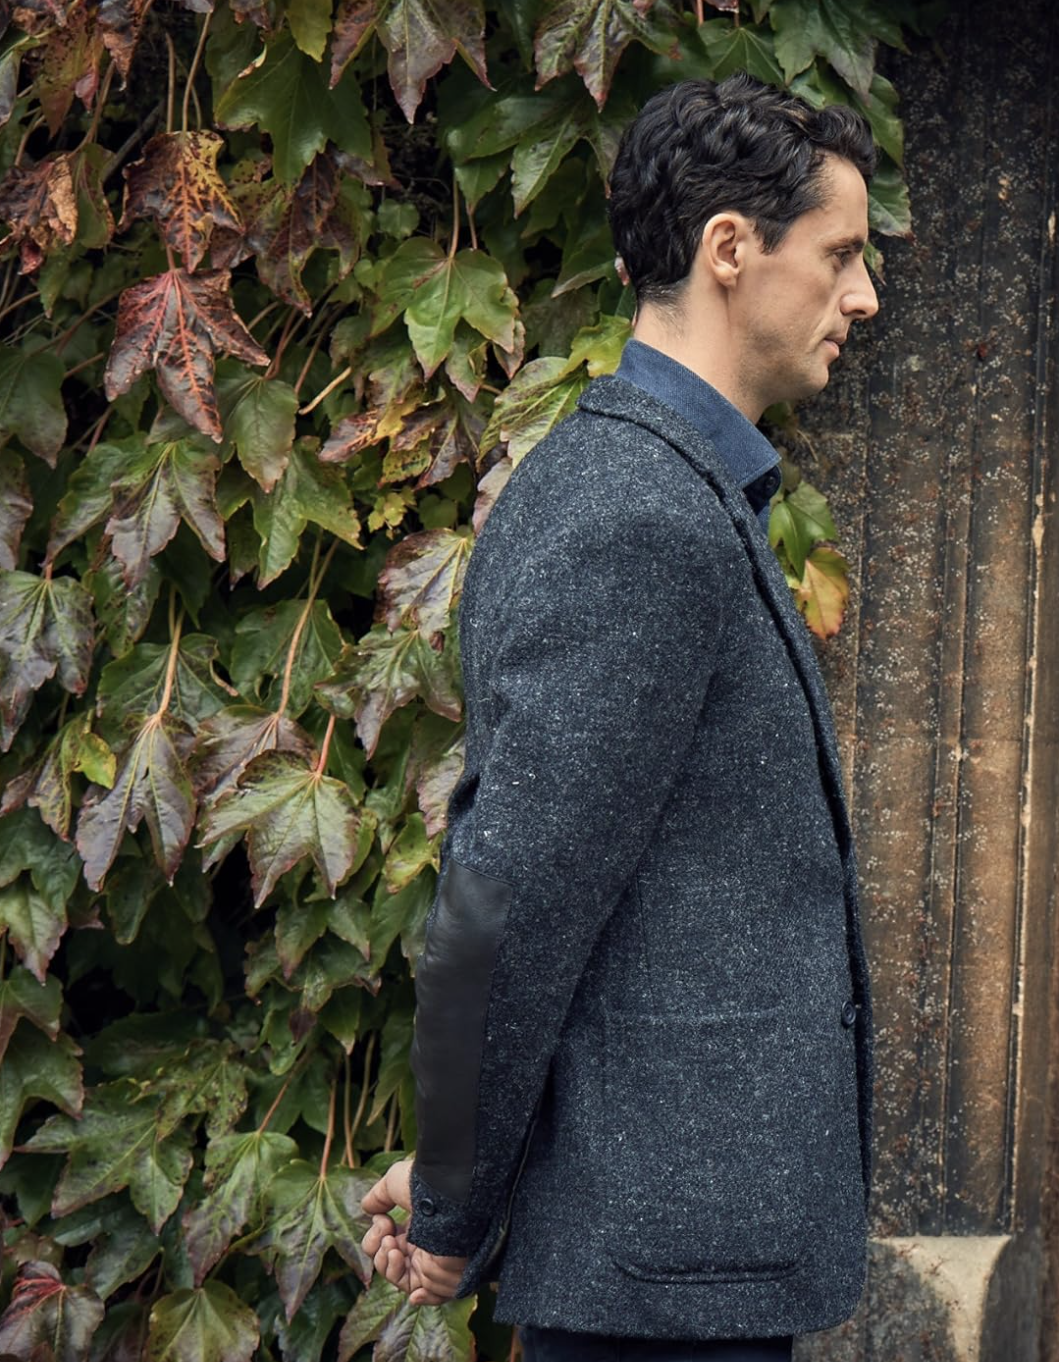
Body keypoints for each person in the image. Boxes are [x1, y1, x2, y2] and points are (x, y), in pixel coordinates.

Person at [358, 74, 881, 1360]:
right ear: (727, 251)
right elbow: (511, 890)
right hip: (653, 1271)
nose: (863, 297)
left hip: (676, 1250)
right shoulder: (635, 513)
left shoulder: (678, 488)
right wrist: (452, 1190)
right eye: (842, 256)